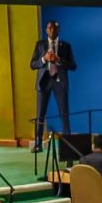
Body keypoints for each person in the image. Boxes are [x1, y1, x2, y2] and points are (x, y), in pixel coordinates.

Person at [30, 21, 76, 151]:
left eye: (55, 28)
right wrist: (44, 59)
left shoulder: (65, 46)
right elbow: (33, 64)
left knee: (64, 115)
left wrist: (58, 60)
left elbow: (73, 66)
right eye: (49, 28)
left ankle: (68, 146)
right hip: (44, 81)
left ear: (59, 30)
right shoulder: (40, 45)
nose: (52, 30)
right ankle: (38, 144)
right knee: (40, 115)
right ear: (46, 30)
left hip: (59, 82)